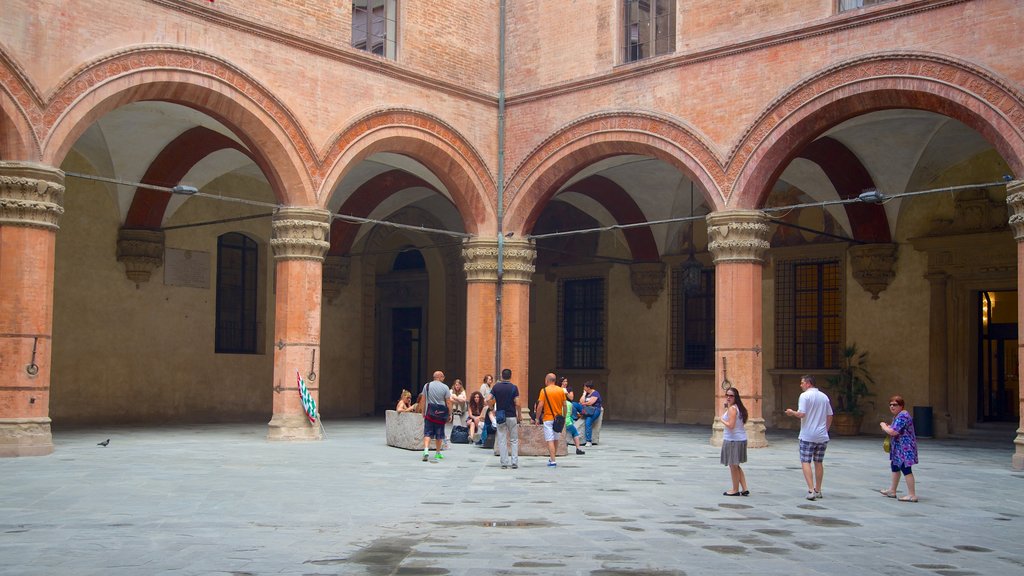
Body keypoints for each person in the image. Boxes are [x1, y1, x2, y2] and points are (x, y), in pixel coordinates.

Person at [785, 375, 833, 500]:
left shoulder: (804, 396)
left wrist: (791, 412)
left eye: (802, 383)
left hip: (807, 435)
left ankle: (811, 490)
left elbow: (802, 414)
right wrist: (826, 429)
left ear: (808, 383)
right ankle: (818, 489)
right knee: (818, 462)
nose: (801, 385)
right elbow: (830, 415)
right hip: (822, 435)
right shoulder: (824, 397)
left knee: (805, 461)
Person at [880, 395, 919, 502]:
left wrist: (883, 426)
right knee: (895, 466)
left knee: (906, 469)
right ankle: (892, 490)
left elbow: (893, 432)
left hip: (904, 448)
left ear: (901, 406)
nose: (892, 407)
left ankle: (912, 494)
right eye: (890, 405)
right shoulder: (898, 416)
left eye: (895, 405)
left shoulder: (903, 416)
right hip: (898, 447)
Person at [489, 368, 521, 469]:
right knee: (514, 440)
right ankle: (514, 462)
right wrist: (519, 415)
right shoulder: (514, 388)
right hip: (511, 415)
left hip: (500, 416)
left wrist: (491, 408)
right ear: (510, 376)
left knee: (502, 439)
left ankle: (504, 462)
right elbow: (518, 403)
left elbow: (488, 399)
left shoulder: (496, 387)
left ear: (501, 376)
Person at [720, 387, 749, 496]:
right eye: (727, 395)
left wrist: (721, 420)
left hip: (733, 440)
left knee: (733, 466)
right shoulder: (738, 408)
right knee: (736, 465)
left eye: (731, 395)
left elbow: (731, 425)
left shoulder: (732, 409)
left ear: (735, 397)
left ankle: (735, 489)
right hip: (740, 439)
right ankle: (745, 488)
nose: (728, 397)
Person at [534, 372, 567, 467]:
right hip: (558, 419)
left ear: (547, 380)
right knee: (556, 439)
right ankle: (553, 457)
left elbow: (540, 405)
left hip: (548, 418)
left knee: (550, 440)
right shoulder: (561, 391)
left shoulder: (544, 391)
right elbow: (565, 405)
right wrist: (564, 416)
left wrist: (537, 418)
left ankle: (553, 461)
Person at [418, 370, 452, 463]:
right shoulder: (445, 387)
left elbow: (423, 399)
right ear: (440, 377)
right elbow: (448, 401)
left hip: (429, 413)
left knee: (427, 432)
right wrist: (450, 413)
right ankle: (437, 452)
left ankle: (425, 450)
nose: (444, 378)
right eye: (443, 377)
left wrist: (423, 411)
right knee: (439, 433)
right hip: (441, 414)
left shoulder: (427, 386)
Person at [560, 377, 585, 455]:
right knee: (574, 432)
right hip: (567, 421)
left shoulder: (568, 391)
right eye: (564, 381)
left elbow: (571, 397)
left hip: (561, 420)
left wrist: (566, 392)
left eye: (566, 381)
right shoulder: (568, 404)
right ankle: (578, 448)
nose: (565, 383)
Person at [579, 381, 603, 446]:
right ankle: (575, 417)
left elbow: (590, 403)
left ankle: (588, 441)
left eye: (585, 387)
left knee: (588, 422)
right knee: (574, 405)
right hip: (587, 410)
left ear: (588, 388)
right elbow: (580, 401)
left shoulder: (595, 393)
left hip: (594, 410)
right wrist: (584, 394)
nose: (584, 388)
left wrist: (583, 404)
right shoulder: (587, 393)